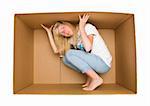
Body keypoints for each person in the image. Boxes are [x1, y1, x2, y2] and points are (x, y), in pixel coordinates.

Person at [41, 14, 112, 91]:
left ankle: (96, 78)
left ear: (67, 24)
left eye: (63, 28)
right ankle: (91, 77)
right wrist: (49, 32)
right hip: (95, 63)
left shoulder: (87, 27)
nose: (65, 32)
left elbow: (88, 48)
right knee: (65, 59)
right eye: (62, 33)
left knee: (69, 53)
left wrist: (81, 27)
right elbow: (56, 51)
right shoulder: (73, 40)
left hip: (103, 63)